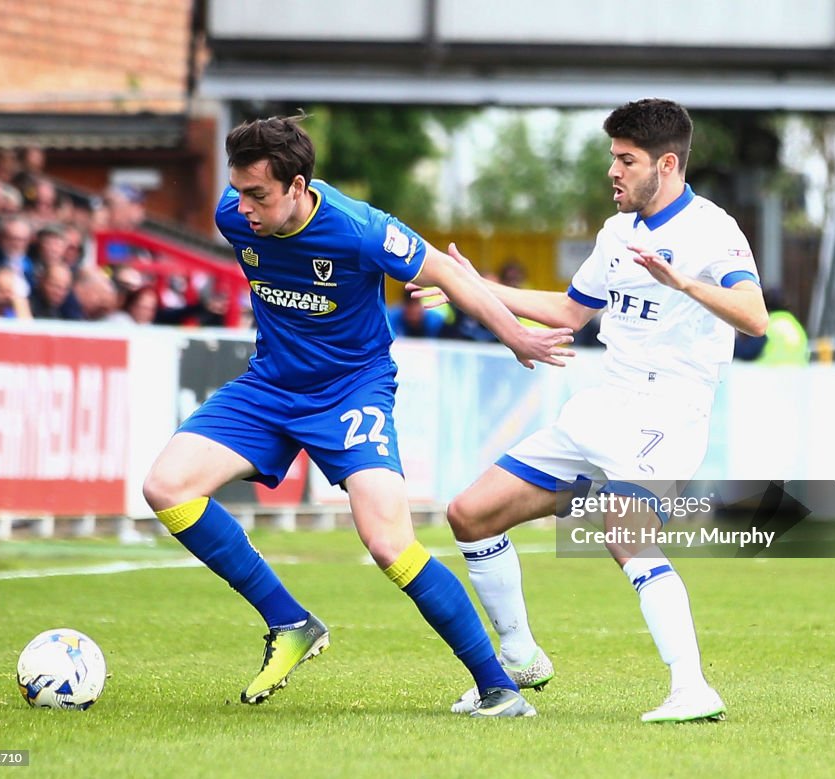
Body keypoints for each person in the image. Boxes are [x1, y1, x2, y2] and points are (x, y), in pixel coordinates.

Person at [141, 115, 574, 716]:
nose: (243, 209)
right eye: (238, 191)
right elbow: (240, 212)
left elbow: (447, 273)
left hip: (351, 391)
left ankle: (498, 687)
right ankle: (289, 622)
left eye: (258, 194)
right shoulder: (231, 215)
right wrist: (242, 202)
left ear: (297, 186)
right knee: (166, 486)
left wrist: (516, 337)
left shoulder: (362, 230)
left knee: (388, 541)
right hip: (270, 385)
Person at [418, 99, 768, 722]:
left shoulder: (712, 231)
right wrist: (468, 284)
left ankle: (692, 688)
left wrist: (684, 283)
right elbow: (571, 312)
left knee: (623, 533)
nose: (614, 171)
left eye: (626, 160)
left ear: (666, 164)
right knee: (470, 514)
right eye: (612, 157)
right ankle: (518, 658)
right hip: (605, 404)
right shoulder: (616, 232)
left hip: (670, 408)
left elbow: (754, 317)